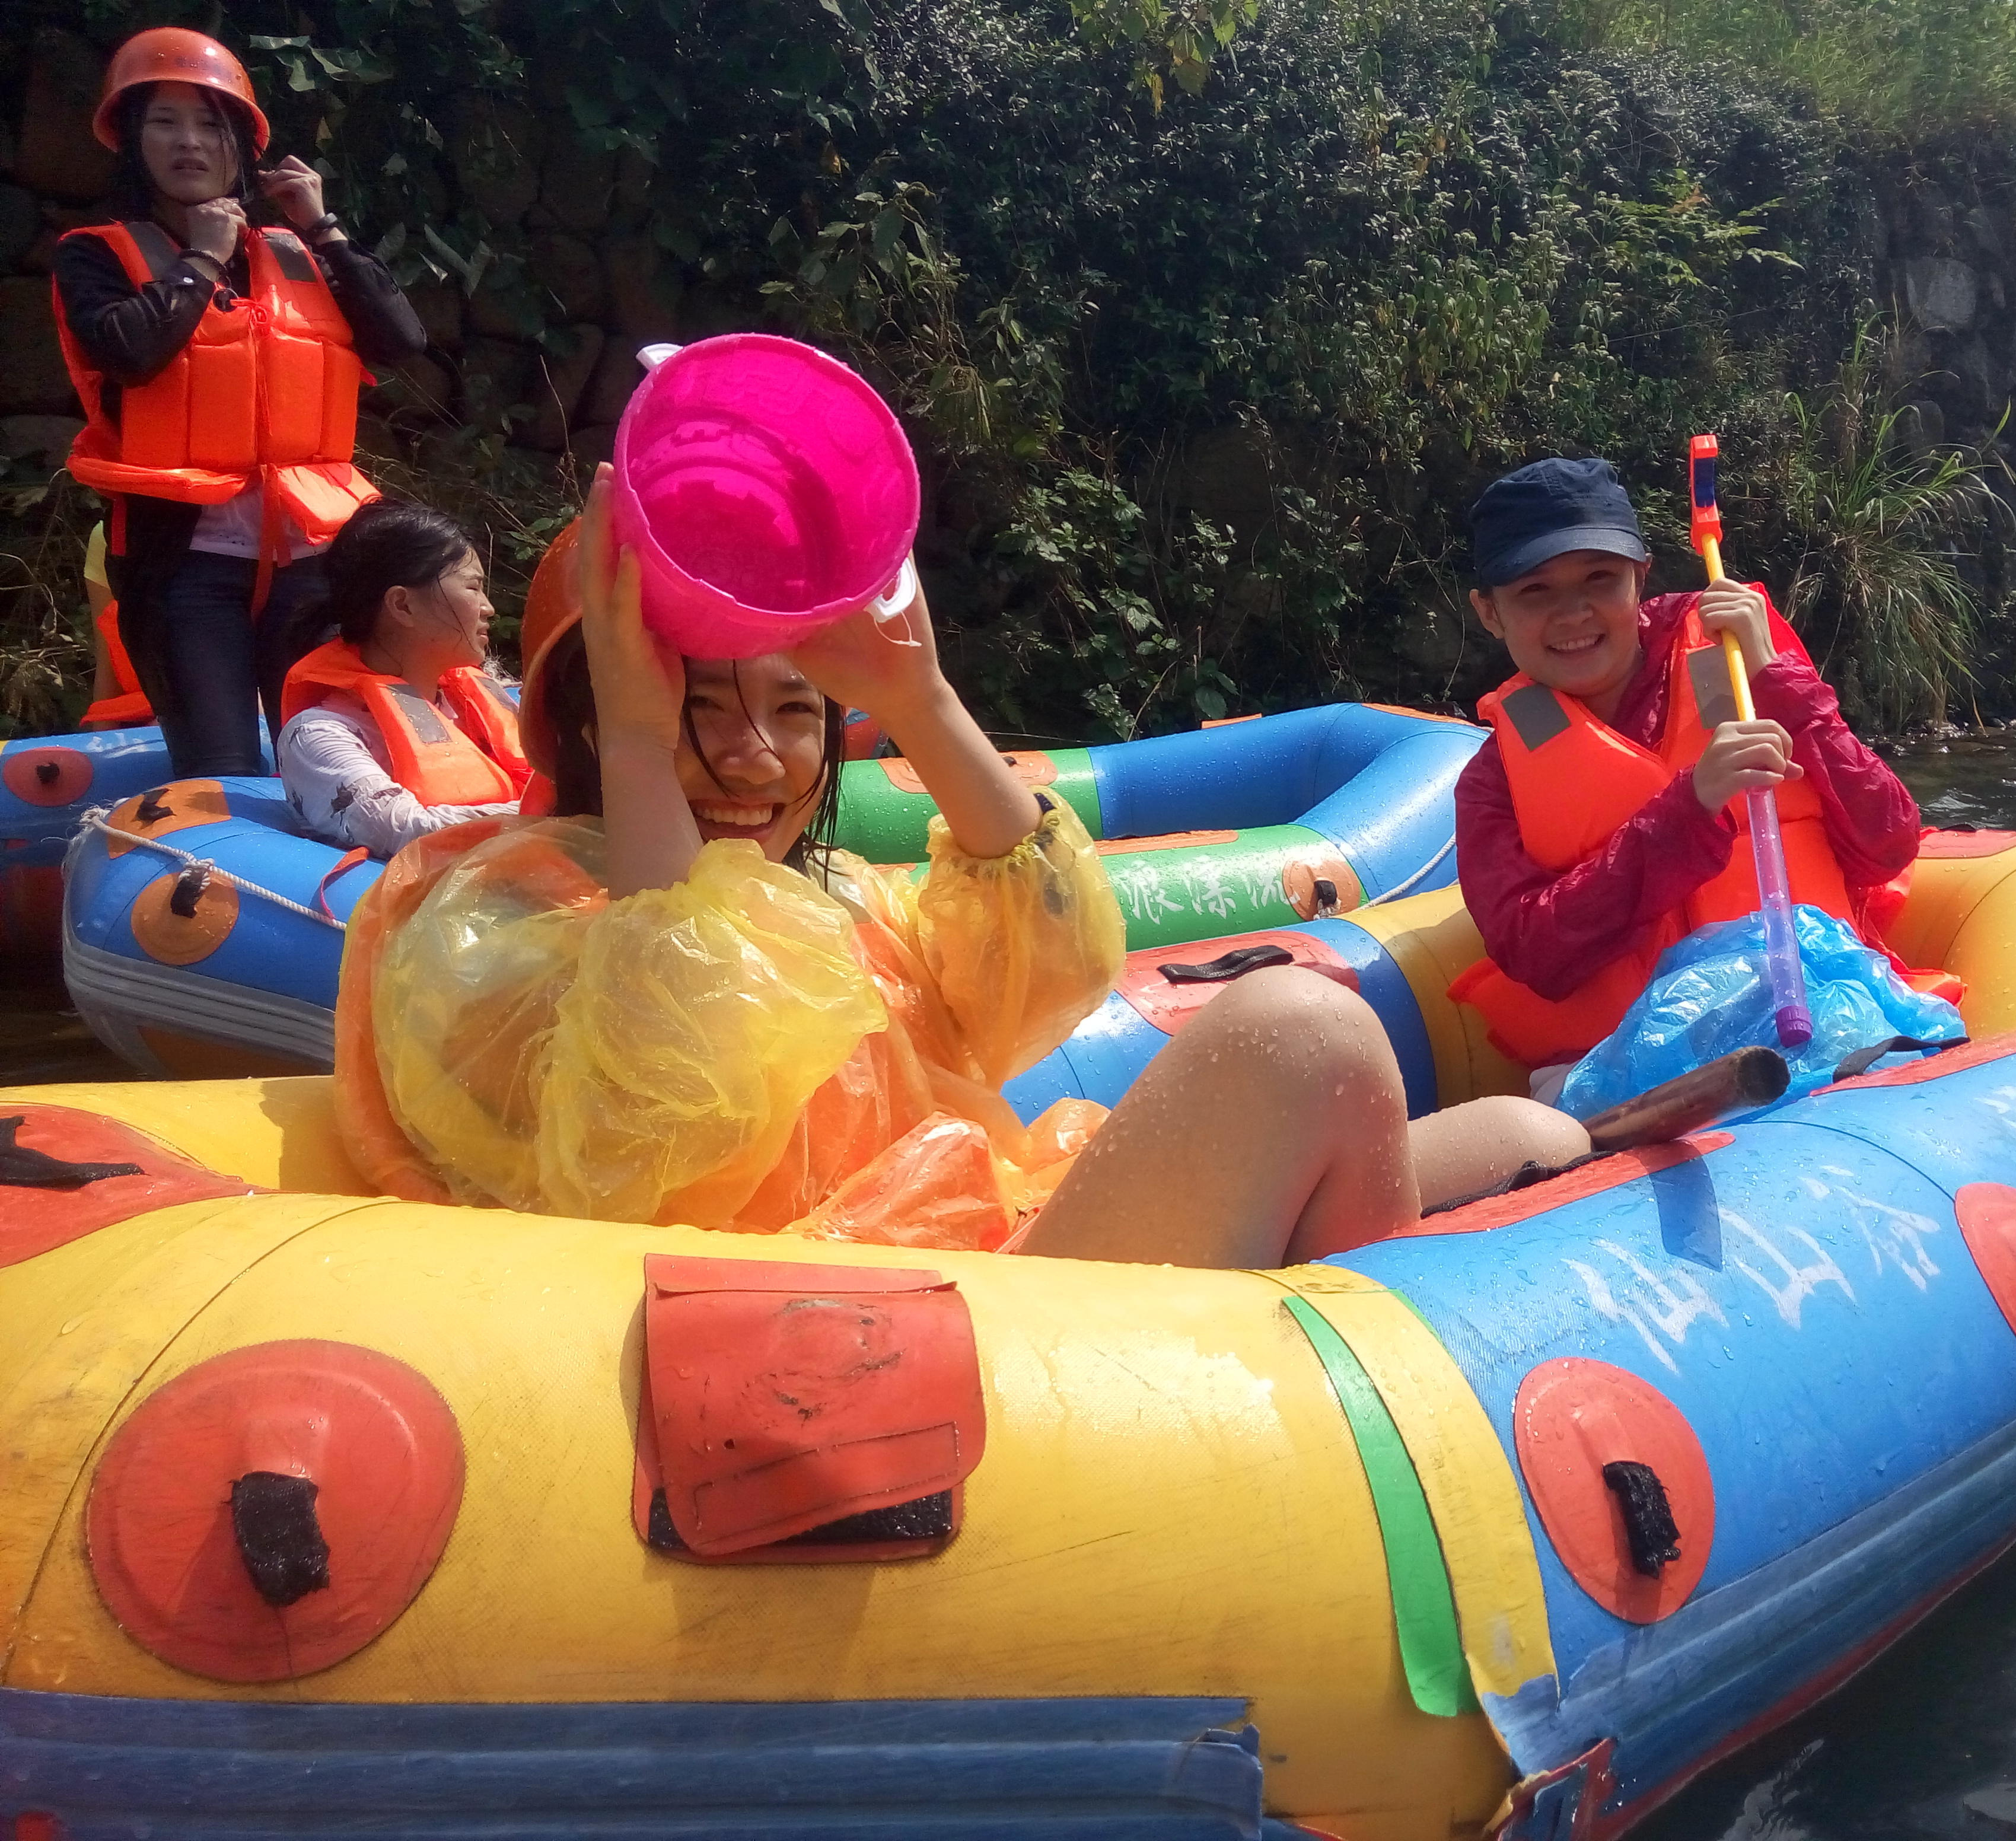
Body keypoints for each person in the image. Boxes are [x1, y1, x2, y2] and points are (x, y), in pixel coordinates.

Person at [332, 467, 1585, 1266]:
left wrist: (919, 699)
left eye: (797, 709)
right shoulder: (489, 907)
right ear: (592, 714)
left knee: (1524, 1127)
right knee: (1303, 1036)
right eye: (694, 708)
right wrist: (638, 739)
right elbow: (660, 1099)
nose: (755, 754)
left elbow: (1049, 971)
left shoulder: (837, 897)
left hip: (985, 1243)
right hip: (862, 1328)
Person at [1446, 457, 1937, 1093]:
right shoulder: (1493, 781)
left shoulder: (1742, 664)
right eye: (1535, 591)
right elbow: (1534, 953)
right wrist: (1687, 813)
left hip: (1823, 1019)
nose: (1573, 614)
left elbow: (1889, 844)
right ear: (1489, 612)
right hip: (1626, 1071)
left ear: (1641, 575)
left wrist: (1781, 682)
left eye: (1599, 578)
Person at [49, 27, 425, 779]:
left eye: (209, 125)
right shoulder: (94, 253)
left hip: (309, 560)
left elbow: (401, 339)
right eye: (165, 122)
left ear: (241, 146)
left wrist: (323, 227)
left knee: (329, 767)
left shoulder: (293, 248)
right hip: (185, 568)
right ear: (133, 141)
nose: (189, 142)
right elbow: (128, 351)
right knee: (220, 767)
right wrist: (201, 256)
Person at [276, 500, 531, 856]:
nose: (488, 608)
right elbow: (407, 831)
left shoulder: (474, 707)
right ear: (403, 605)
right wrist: (563, 812)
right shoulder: (318, 734)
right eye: (473, 588)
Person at [78, 520, 154, 730]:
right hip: (145, 722)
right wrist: (101, 743)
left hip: (222, 709)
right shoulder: (108, 535)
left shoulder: (230, 531)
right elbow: (107, 665)